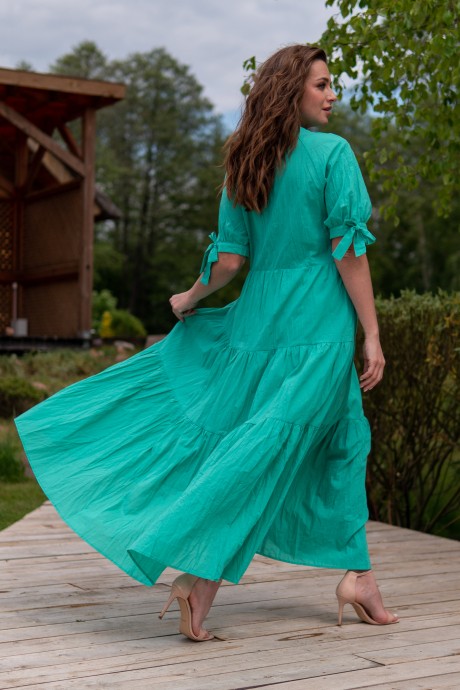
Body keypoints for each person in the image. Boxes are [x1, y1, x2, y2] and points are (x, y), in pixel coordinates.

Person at [15, 43, 398, 644]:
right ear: (291, 91)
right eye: (322, 84)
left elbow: (231, 261)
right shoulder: (333, 155)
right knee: (267, 450)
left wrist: (191, 296)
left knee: (343, 439)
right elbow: (348, 252)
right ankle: (202, 578)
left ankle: (359, 576)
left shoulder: (246, 166)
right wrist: (371, 333)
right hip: (315, 329)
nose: (332, 95)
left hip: (259, 326)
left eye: (332, 85)